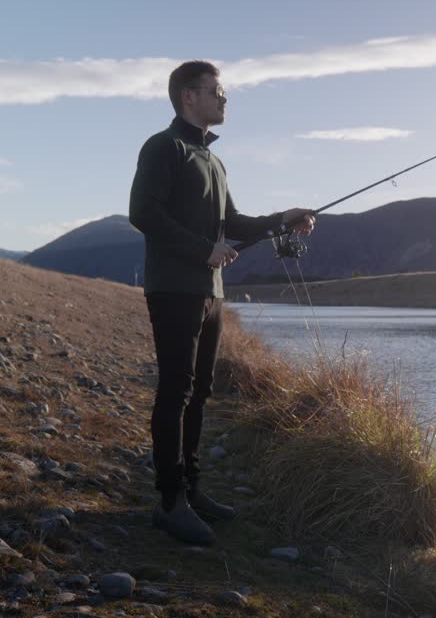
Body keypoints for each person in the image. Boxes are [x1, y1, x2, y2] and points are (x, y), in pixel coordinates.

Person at [128, 60, 315, 545]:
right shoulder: (163, 147)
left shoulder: (213, 160)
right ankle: (170, 503)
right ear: (189, 96)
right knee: (175, 391)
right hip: (173, 288)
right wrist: (201, 250)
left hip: (210, 294)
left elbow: (231, 224)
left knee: (200, 391)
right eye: (216, 90)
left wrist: (283, 218)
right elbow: (142, 212)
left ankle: (191, 491)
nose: (224, 98)